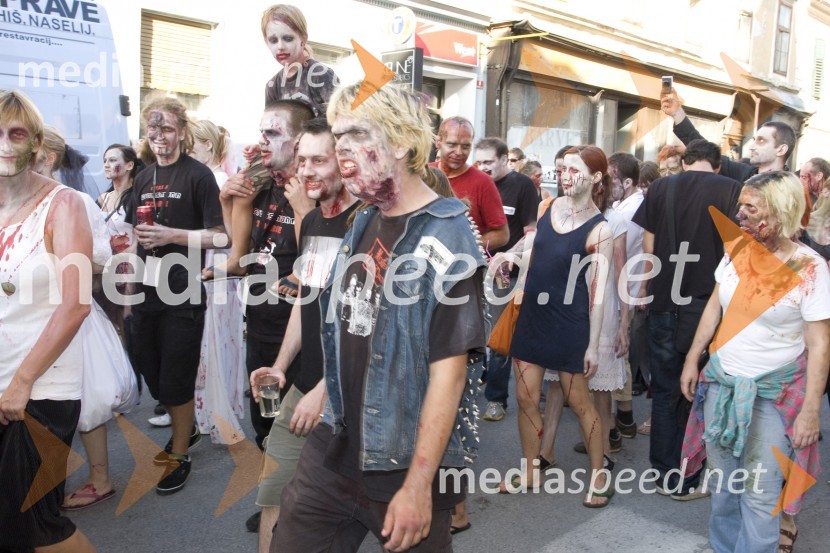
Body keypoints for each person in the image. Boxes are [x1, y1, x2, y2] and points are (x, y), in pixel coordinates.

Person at [274, 82, 487, 552]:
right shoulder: (364, 220)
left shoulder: (450, 242)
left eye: (355, 132)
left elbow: (449, 377)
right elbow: (353, 325)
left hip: (401, 459)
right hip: (335, 446)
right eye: (337, 133)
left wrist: (417, 485)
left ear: (401, 143)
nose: (340, 145)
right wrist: (324, 387)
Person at [680, 171, 830, 553]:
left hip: (774, 395)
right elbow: (715, 306)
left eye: (751, 207)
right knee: (724, 489)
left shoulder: (810, 268)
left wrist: (811, 410)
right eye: (740, 206)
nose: (740, 214)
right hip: (722, 386)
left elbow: (819, 342)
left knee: (759, 495)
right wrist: (692, 360)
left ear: (781, 212)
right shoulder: (740, 250)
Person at [248, 117, 358, 553]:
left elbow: (367, 327)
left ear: (344, 163)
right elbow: (304, 301)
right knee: (273, 489)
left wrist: (327, 390)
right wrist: (279, 365)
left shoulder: (365, 225)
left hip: (348, 394)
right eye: (302, 160)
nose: (306, 170)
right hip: (303, 385)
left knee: (353, 513)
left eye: (319, 160)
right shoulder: (312, 221)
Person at [0, 89, 96, 552]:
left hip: (40, 390)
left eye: (15, 133)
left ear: (36, 144)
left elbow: (76, 304)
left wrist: (21, 382)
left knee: (39, 525)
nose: (4, 144)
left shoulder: (64, 205)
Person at [126, 95, 226, 495]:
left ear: (182, 132)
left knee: (176, 376)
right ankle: (188, 430)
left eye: (166, 128)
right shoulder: (142, 178)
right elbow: (137, 238)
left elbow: (222, 236)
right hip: (147, 291)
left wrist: (173, 236)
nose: (159, 136)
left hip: (183, 291)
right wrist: (131, 289)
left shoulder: (198, 176)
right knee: (151, 373)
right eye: (153, 129)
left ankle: (180, 451)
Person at [632, 139, 742, 500]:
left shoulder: (662, 187)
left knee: (665, 390)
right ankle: (694, 473)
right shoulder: (731, 190)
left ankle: (665, 475)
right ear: (717, 164)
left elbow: (648, 249)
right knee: (703, 392)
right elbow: (736, 253)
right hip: (708, 306)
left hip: (665, 300)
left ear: (687, 161)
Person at [506, 145, 615, 507]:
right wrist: (510, 255)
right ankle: (530, 469)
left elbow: (598, 295)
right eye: (563, 169)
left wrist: (593, 345)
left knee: (581, 404)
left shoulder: (601, 230)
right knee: (524, 398)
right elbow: (533, 247)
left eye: (574, 170)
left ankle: (600, 476)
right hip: (533, 318)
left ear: (596, 178)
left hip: (570, 325)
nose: (565, 176)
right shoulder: (548, 206)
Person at [32, 128, 127, 512]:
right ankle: (43, 484)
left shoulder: (74, 202)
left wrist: (64, 258)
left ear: (48, 158)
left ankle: (97, 479)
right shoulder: (21, 199)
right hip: (30, 314)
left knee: (81, 401)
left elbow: (104, 257)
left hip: (68, 313)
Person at [215, 100, 315, 457]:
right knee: (266, 422)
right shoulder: (260, 185)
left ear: (300, 140)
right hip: (259, 328)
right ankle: (273, 506)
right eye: (262, 132)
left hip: (299, 337)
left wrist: (304, 210)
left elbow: (311, 269)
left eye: (273, 133)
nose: (263, 141)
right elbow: (240, 259)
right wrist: (227, 201)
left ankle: (293, 507)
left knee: (300, 433)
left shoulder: (315, 191)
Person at [188, 119, 248, 443]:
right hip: (202, 268)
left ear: (208, 145)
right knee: (206, 342)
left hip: (218, 270)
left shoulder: (220, 180)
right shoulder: (199, 178)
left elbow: (230, 237)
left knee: (217, 341)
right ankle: (205, 415)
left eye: (191, 143)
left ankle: (220, 418)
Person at [474, 137, 540, 423]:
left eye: (489, 161)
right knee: (469, 334)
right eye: (479, 162)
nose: (483, 167)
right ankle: (468, 389)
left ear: (504, 159)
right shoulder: (475, 182)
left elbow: (531, 232)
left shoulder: (522, 186)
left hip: (503, 276)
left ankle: (496, 399)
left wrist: (510, 258)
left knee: (498, 340)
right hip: (470, 272)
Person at [662, 87, 796, 181]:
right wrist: (677, 113)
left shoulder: (791, 188)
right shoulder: (745, 175)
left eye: (761, 141)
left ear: (781, 149)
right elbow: (704, 150)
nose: (752, 147)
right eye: (754, 140)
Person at [609, 152, 645, 435]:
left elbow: (615, 253)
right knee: (619, 352)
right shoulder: (627, 205)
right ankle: (623, 418)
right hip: (627, 288)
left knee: (617, 352)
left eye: (610, 179)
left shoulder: (627, 212)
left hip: (624, 291)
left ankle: (617, 424)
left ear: (628, 181)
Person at [432, 116, 508, 250]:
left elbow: (502, 234)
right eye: (452, 145)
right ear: (438, 142)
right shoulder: (423, 174)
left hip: (464, 266)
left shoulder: (483, 182)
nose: (459, 152)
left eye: (466, 146)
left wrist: (468, 246)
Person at [262, 4, 338, 115]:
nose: (280, 46)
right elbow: (270, 127)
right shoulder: (272, 86)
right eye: (273, 40)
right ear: (267, 43)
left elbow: (340, 123)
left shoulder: (321, 75)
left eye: (288, 38)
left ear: (303, 38)